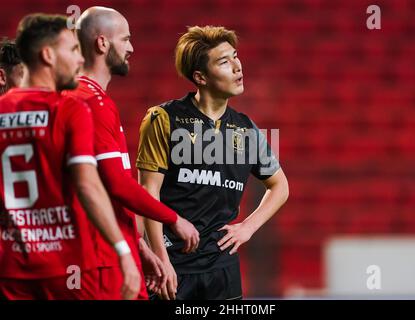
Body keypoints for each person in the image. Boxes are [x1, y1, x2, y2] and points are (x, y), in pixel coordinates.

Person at [137, 25, 289, 300]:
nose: (237, 66)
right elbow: (148, 193)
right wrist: (161, 259)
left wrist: (248, 227)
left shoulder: (247, 129)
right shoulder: (163, 118)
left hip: (222, 269)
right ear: (200, 77)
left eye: (235, 56)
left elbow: (280, 186)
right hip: (173, 264)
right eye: (223, 61)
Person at [0, 13, 140, 300]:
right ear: (48, 55)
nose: (79, 60)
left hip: (11, 267)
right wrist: (124, 249)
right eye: (73, 50)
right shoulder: (70, 109)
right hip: (66, 267)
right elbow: (88, 185)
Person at [63, 7, 199, 300]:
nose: (131, 47)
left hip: (107, 250)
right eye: (125, 39)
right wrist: (173, 219)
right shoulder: (90, 101)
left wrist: (139, 244)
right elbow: (116, 184)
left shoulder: (84, 98)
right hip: (98, 259)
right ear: (102, 43)